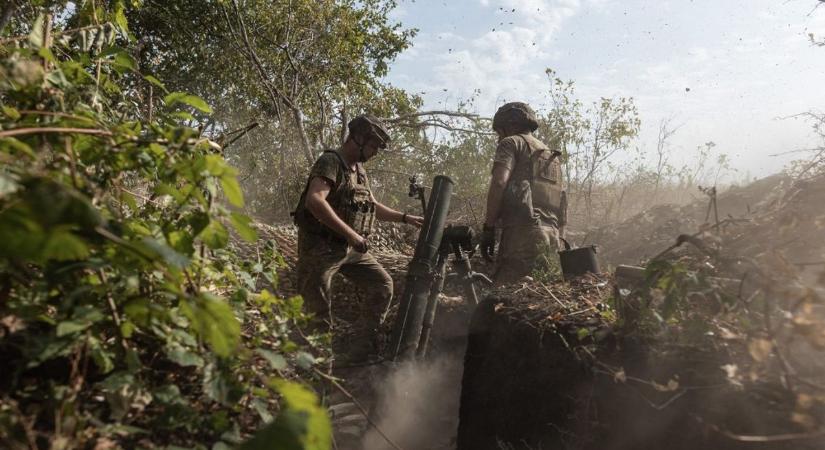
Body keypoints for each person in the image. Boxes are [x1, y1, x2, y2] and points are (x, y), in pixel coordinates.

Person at [292, 114, 423, 360]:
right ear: (359, 138)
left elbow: (372, 205)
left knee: (382, 285)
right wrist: (352, 235)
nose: (375, 152)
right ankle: (317, 378)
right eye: (373, 145)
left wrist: (405, 218)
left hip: (349, 250)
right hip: (320, 250)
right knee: (316, 316)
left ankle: (361, 350)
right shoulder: (330, 162)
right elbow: (314, 200)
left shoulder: (359, 172)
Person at [480, 102, 567, 284]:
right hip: (552, 235)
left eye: (499, 132)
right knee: (539, 296)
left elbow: (499, 182)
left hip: (522, 235)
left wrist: (488, 228)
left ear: (509, 125)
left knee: (506, 298)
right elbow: (562, 201)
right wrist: (560, 237)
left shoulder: (511, 142)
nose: (498, 138)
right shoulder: (551, 155)